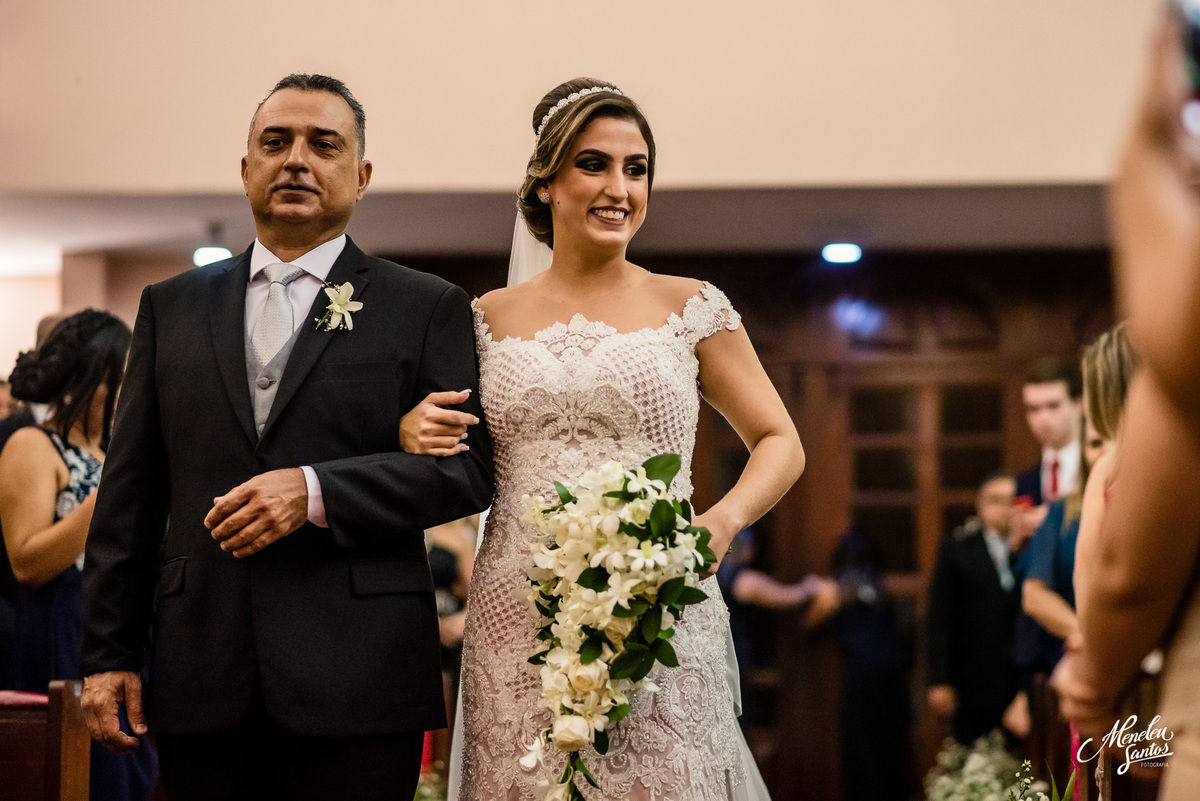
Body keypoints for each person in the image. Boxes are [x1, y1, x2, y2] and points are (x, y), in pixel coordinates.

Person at [78, 74, 493, 801]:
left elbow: (465, 472)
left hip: (360, 673)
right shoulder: (170, 307)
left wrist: (315, 490)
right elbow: (131, 493)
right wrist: (107, 652)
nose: (296, 160)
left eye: (323, 145)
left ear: (361, 177)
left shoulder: (424, 306)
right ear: (246, 170)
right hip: (202, 666)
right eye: (276, 143)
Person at [404, 78, 804, 800]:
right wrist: (411, 426)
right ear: (547, 183)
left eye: (637, 167)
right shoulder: (483, 318)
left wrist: (723, 520)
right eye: (594, 164)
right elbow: (447, 443)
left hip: (658, 606)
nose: (619, 187)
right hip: (514, 613)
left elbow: (780, 438)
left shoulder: (690, 306)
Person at [0, 310, 157, 800]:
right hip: (63, 626)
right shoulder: (32, 445)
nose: (125, 394)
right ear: (86, 380)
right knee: (83, 775)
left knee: (134, 772)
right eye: (116, 380)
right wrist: (106, 496)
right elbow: (26, 562)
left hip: (126, 627)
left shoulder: (110, 450)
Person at [926, 472, 1022, 744]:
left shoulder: (1030, 546)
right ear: (981, 505)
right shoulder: (957, 548)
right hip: (972, 676)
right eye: (996, 501)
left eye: (1011, 501)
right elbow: (940, 618)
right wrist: (939, 679)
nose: (1004, 508)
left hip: (1018, 677)